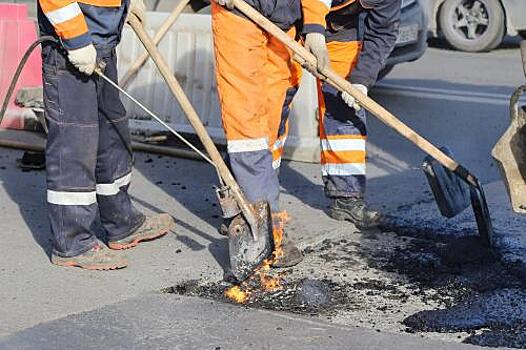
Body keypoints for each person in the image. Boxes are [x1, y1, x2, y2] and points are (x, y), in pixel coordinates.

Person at [38, 0, 175, 270]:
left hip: (101, 44)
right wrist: (76, 38)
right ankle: (73, 242)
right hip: (69, 48)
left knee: (113, 134)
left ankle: (122, 222)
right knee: (75, 143)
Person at [212, 0, 336, 267]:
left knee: (272, 116)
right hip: (239, 14)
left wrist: (314, 26)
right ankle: (265, 226)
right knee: (246, 122)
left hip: (284, 22)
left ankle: (242, 207)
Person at [311, 0, 401, 229]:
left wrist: (361, 81)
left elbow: (382, 32)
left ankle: (346, 197)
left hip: (338, 26)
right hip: (287, 16)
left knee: (346, 110)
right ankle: (250, 197)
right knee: (269, 104)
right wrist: (311, 30)